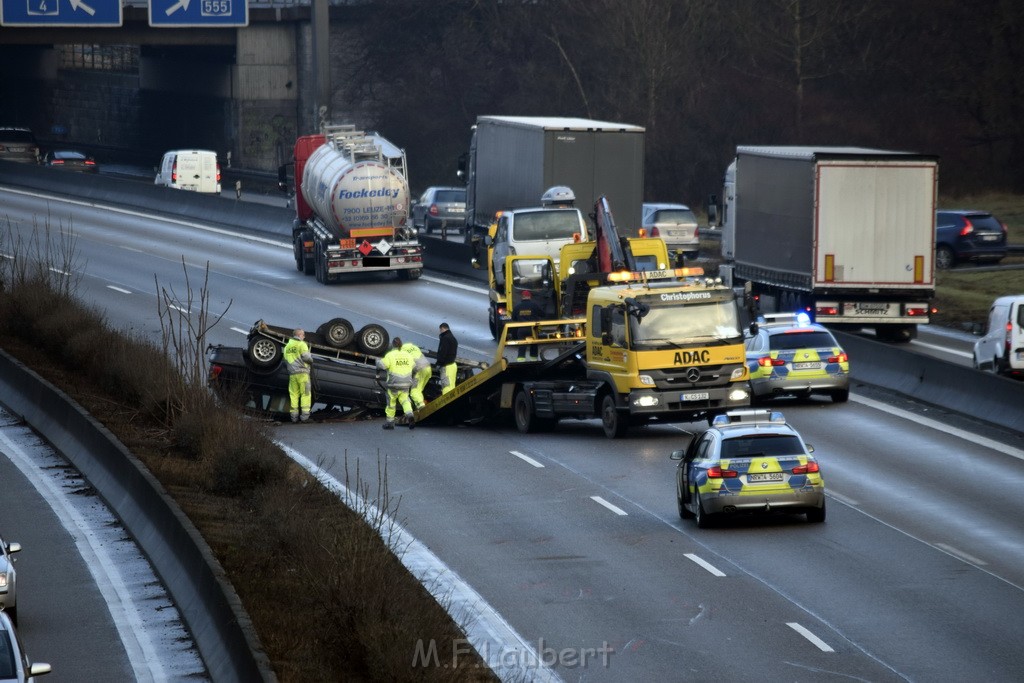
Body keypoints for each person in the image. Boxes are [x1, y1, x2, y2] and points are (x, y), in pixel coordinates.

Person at [377, 337, 415, 429]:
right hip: (406, 383)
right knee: (405, 400)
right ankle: (410, 414)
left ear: (393, 345)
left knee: (391, 402)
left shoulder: (390, 355)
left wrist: (377, 361)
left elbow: (382, 365)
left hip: (394, 384)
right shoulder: (408, 355)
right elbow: (413, 365)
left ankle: (390, 423)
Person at [283, 328, 313, 423]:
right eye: (303, 335)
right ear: (299, 335)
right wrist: (312, 361)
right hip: (302, 374)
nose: (304, 337)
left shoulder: (287, 346)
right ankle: (304, 417)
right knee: (305, 394)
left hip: (292, 374)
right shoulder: (302, 344)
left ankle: (294, 418)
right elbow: (307, 358)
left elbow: (285, 359)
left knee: (294, 395)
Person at [511, 289, 544, 360]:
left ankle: (521, 359)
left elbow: (513, 318)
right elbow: (542, 314)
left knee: (522, 344)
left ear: (522, 297)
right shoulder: (534, 305)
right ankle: (533, 359)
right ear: (530, 297)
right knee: (534, 343)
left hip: (522, 329)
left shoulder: (517, 307)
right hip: (533, 329)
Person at [401, 340, 432, 410]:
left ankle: (421, 406)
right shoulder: (414, 347)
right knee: (419, 390)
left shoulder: (402, 352)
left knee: (414, 391)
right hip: (428, 368)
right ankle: (420, 406)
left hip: (420, 370)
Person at [436, 322, 459, 394]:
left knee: (446, 387)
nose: (440, 332)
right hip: (453, 365)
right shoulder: (453, 338)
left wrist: (439, 363)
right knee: (452, 386)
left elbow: (443, 352)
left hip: (446, 366)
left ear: (442, 328)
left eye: (440, 330)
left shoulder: (445, 338)